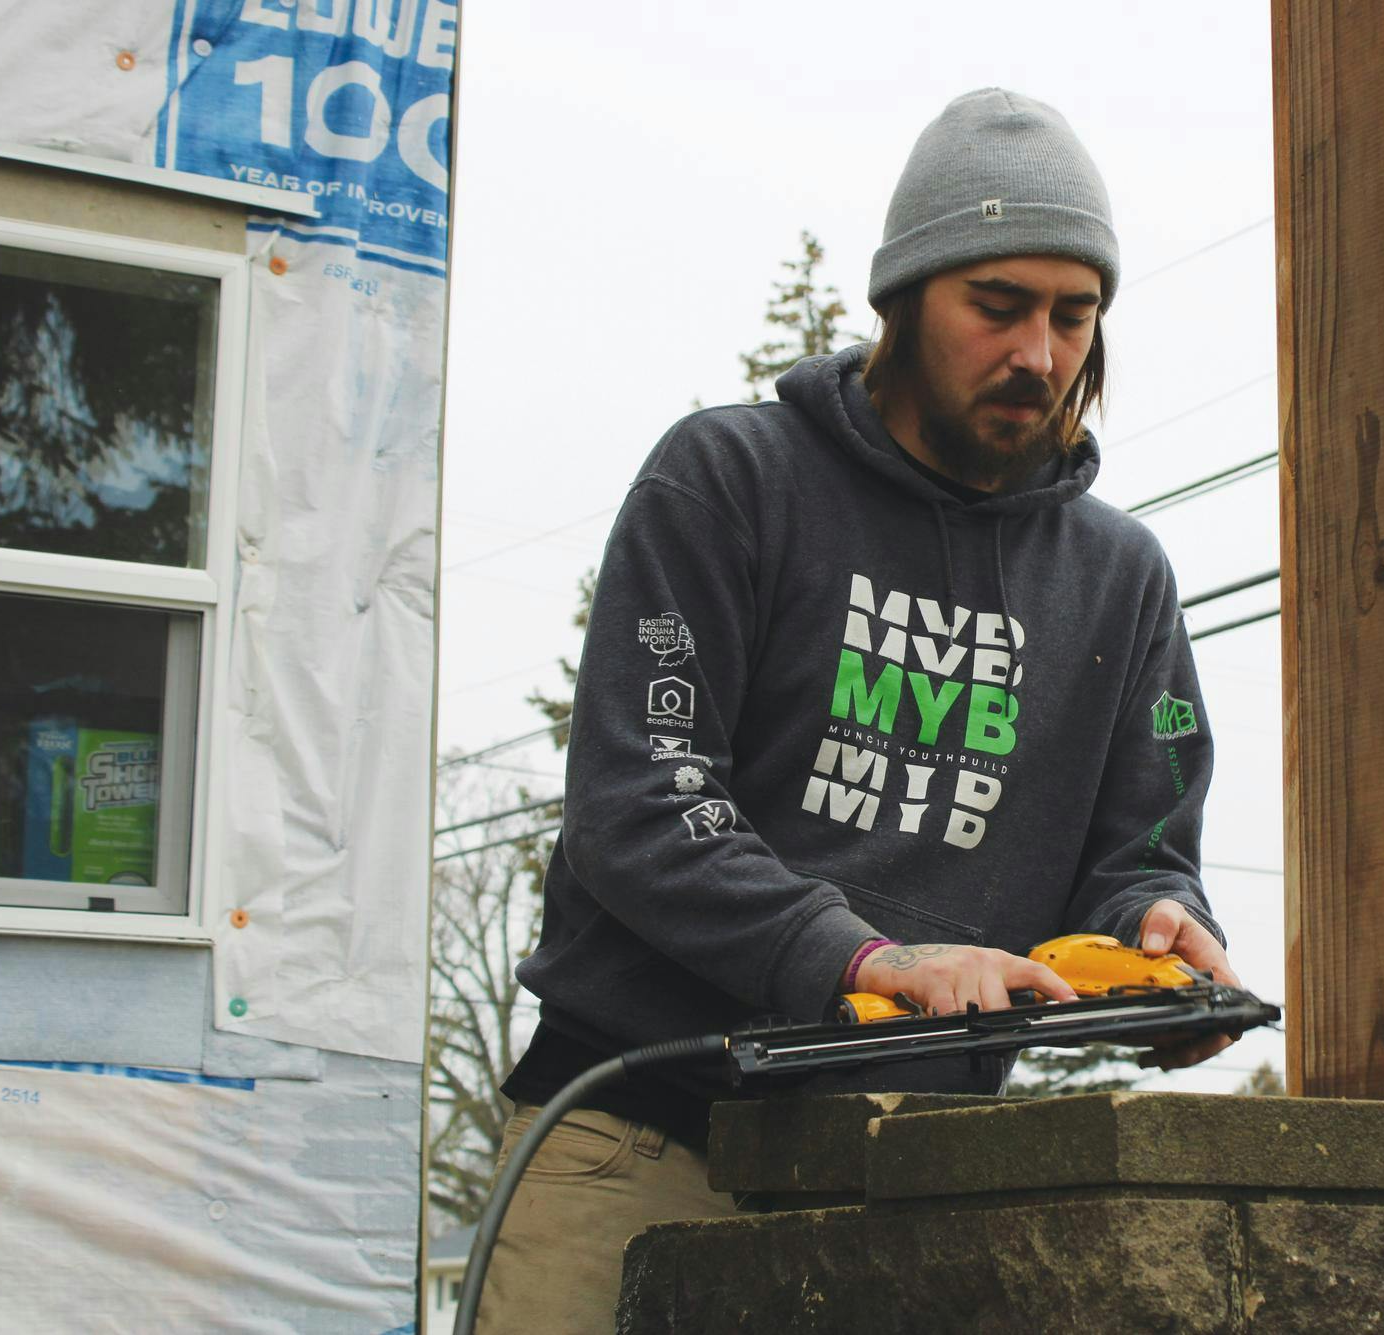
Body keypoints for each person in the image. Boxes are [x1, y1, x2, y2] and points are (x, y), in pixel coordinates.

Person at [476, 87, 1241, 1332]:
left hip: (916, 1183)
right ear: (903, 300)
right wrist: (864, 961)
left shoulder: (1120, 580)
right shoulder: (727, 482)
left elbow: (1137, 854)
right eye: (996, 305)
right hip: (640, 1144)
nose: (1039, 355)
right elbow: (642, 809)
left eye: (1072, 315)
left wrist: (1157, 927)